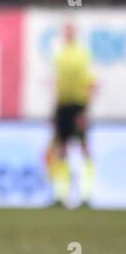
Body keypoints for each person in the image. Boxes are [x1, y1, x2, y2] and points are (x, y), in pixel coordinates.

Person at [48, 22, 96, 207]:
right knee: (61, 148)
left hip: (78, 106)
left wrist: (85, 109)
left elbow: (91, 82)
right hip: (62, 106)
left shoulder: (82, 54)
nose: (68, 34)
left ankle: (86, 196)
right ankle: (61, 196)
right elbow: (58, 83)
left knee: (83, 147)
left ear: (76, 33)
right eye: (66, 30)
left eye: (71, 30)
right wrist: (55, 109)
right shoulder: (59, 55)